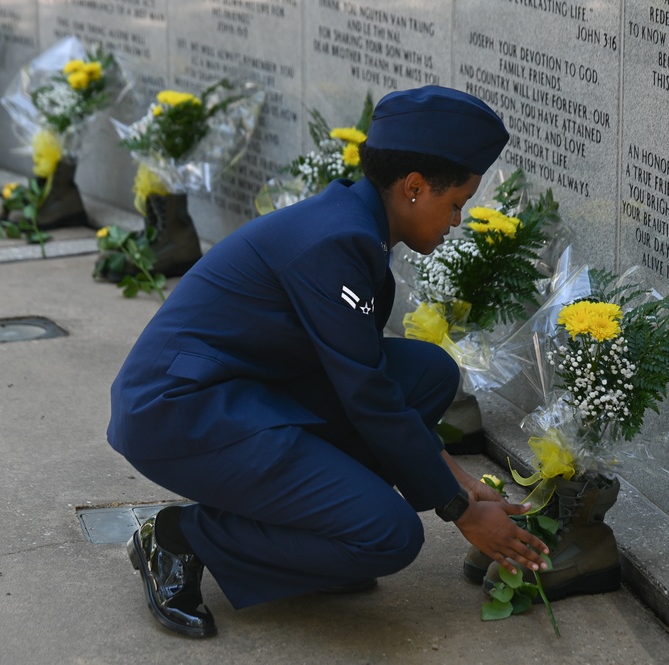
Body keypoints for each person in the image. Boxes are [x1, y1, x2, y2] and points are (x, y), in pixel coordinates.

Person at [108, 85, 549, 638]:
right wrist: (458, 507)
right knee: (389, 537)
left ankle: (321, 538)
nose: (457, 219)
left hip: (243, 391)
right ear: (414, 188)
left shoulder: (353, 220)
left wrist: (454, 478)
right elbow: (365, 395)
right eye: (456, 202)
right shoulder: (336, 241)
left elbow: (369, 381)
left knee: (428, 373)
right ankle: (179, 536)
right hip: (182, 412)